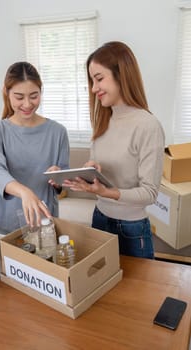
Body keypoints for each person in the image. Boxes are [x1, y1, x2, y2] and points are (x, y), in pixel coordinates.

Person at [64, 41, 165, 259]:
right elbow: (101, 168)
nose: (93, 88)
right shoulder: (103, 120)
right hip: (99, 218)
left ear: (122, 75)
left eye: (99, 78)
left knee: (138, 293)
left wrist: (107, 192)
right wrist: (90, 171)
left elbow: (149, 193)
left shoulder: (148, 125)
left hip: (131, 228)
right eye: (92, 81)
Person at [0, 61, 69, 234]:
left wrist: (58, 177)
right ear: (6, 93)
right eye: (19, 97)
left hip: (46, 224)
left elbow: (63, 183)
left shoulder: (58, 132)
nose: (28, 104)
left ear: (41, 92)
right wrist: (24, 192)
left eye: (34, 96)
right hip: (8, 225)